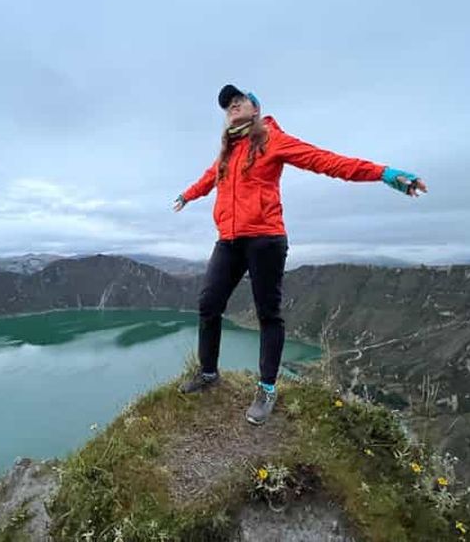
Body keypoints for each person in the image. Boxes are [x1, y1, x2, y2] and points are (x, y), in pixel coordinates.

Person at [172, 84, 427, 425]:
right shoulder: (228, 151)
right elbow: (209, 178)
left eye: (239, 100)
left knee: (268, 314)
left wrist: (383, 174)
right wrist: (187, 195)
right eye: (227, 105)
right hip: (229, 240)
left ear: (255, 108)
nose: (232, 106)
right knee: (209, 303)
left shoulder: (274, 139)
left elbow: (327, 161)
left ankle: (266, 388)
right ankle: (208, 373)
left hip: (265, 240)